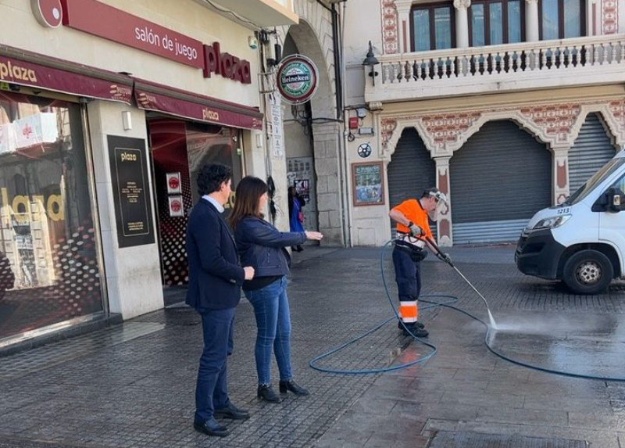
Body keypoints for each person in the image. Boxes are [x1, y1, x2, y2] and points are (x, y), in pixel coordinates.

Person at [230, 176, 323, 403]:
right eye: (263, 193)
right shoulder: (246, 224)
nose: (266, 197)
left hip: (277, 282)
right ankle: (264, 385)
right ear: (253, 196)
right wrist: (305, 235)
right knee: (266, 336)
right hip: (262, 286)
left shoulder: (256, 220)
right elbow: (277, 238)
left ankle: (286, 379)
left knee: (283, 333)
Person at [185, 164, 255, 438]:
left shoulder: (214, 214)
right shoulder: (204, 215)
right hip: (214, 297)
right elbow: (211, 260)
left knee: (223, 351)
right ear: (222, 185)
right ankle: (203, 416)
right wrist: (242, 273)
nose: (231, 189)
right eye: (229, 184)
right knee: (213, 356)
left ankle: (221, 403)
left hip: (224, 296)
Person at [389, 187, 449, 338]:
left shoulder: (423, 214)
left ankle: (407, 320)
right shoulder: (411, 205)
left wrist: (440, 254)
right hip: (403, 253)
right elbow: (393, 213)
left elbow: (428, 238)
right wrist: (410, 225)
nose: (436, 207)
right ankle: (409, 327)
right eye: (436, 203)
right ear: (431, 199)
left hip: (413, 256)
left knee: (416, 288)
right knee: (408, 288)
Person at [287, 185, 306, 252]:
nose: (294, 191)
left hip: (297, 216)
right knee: (293, 231)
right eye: (293, 190)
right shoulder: (289, 198)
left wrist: (300, 196)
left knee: (299, 230)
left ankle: (298, 245)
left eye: (295, 190)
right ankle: (292, 245)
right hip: (292, 217)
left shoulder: (297, 198)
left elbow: (303, 203)